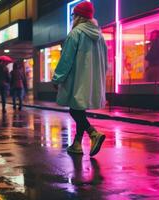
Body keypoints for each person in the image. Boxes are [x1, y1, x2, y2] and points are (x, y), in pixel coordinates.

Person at [52, 2, 107, 157]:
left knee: (75, 110)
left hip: (77, 79)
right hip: (92, 80)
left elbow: (66, 59)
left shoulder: (75, 33)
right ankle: (77, 144)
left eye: (74, 15)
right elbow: (104, 60)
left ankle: (93, 134)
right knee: (78, 110)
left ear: (78, 16)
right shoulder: (99, 35)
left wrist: (57, 78)